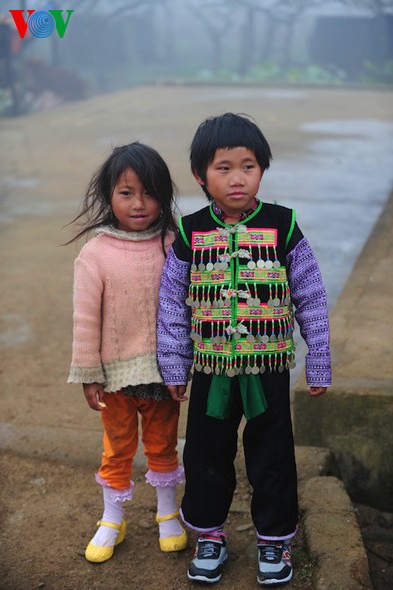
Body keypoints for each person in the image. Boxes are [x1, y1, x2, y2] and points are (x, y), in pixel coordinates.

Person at [157, 113, 331, 585]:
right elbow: (172, 305)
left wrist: (318, 360)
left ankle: (274, 541)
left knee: (272, 454)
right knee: (206, 455)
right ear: (200, 174)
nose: (237, 178)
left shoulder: (283, 225)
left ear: (262, 169)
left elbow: (310, 296)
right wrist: (175, 363)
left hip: (268, 367)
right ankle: (210, 533)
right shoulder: (189, 232)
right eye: (224, 167)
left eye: (249, 166)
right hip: (212, 369)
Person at [67, 142, 187, 563]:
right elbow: (86, 320)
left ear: (163, 197)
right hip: (115, 377)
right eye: (126, 193)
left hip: (162, 373)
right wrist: (88, 373)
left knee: (163, 444)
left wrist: (185, 364)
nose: (139, 203)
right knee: (117, 448)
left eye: (150, 193)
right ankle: (111, 518)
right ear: (108, 196)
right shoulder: (96, 253)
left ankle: (168, 512)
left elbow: (186, 309)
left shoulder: (173, 244)